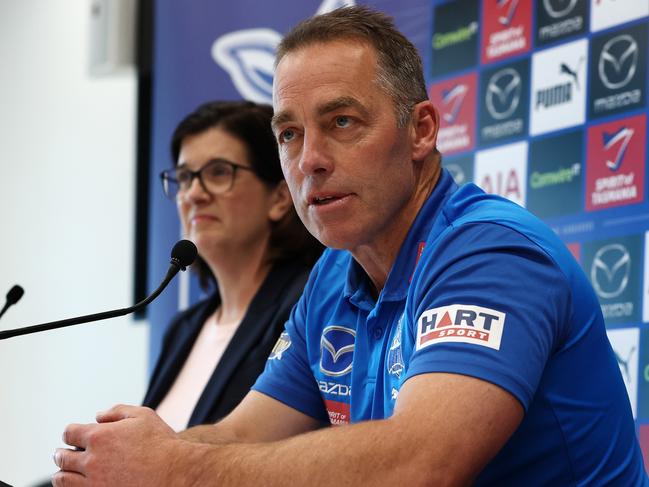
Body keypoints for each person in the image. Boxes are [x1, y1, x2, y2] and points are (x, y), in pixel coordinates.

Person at [52, 6, 648, 486]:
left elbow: (420, 463)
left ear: (421, 131)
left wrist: (177, 469)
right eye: (289, 133)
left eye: (341, 122)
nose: (308, 160)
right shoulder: (332, 277)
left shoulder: (489, 252)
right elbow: (242, 437)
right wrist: (129, 459)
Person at [141, 100, 321, 432]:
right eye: (184, 177)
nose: (194, 193)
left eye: (219, 172)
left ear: (280, 198)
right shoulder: (182, 329)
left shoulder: (307, 305)